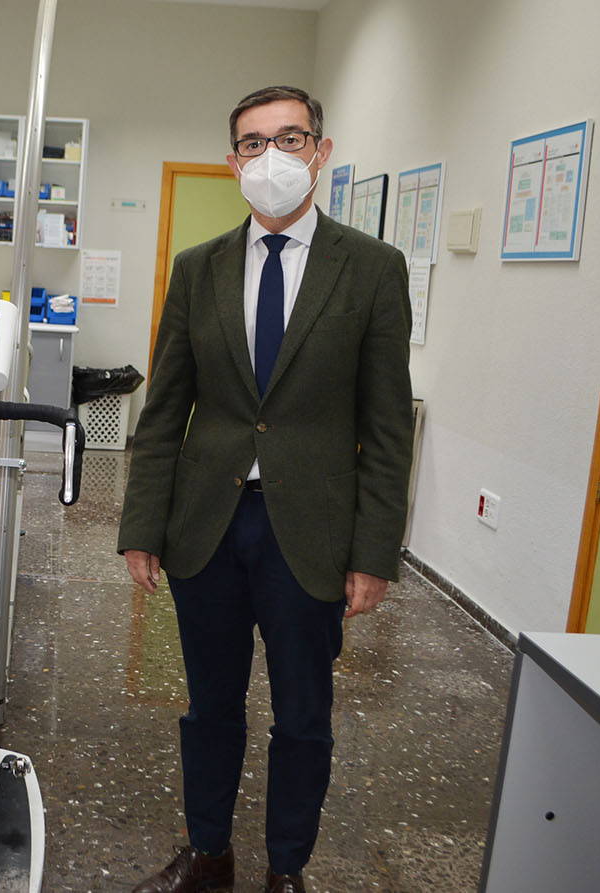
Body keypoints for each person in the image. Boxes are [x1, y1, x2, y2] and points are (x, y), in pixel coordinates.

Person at [119, 85, 413, 893]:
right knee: (208, 706)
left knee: (303, 718)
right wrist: (141, 525)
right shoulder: (198, 268)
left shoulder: (372, 270)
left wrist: (374, 552)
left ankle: (287, 868)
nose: (271, 156)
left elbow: (388, 426)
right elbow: (165, 406)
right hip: (207, 527)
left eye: (290, 138)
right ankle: (207, 852)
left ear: (320, 151)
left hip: (310, 532)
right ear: (232, 162)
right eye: (253, 143)